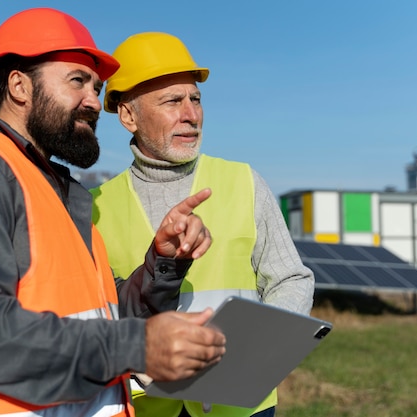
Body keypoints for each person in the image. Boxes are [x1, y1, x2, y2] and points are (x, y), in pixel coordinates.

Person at [0, 10, 227, 417]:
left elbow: (98, 315)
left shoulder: (54, 189)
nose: (94, 102)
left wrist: (164, 264)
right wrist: (136, 346)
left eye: (97, 86)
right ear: (19, 86)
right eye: (77, 81)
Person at [90, 32, 316, 417]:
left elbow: (291, 280)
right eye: (172, 101)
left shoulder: (244, 181)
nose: (190, 114)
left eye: (195, 99)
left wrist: (259, 356)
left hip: (242, 405)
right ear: (128, 115)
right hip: (144, 407)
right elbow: (95, 314)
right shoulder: (94, 207)